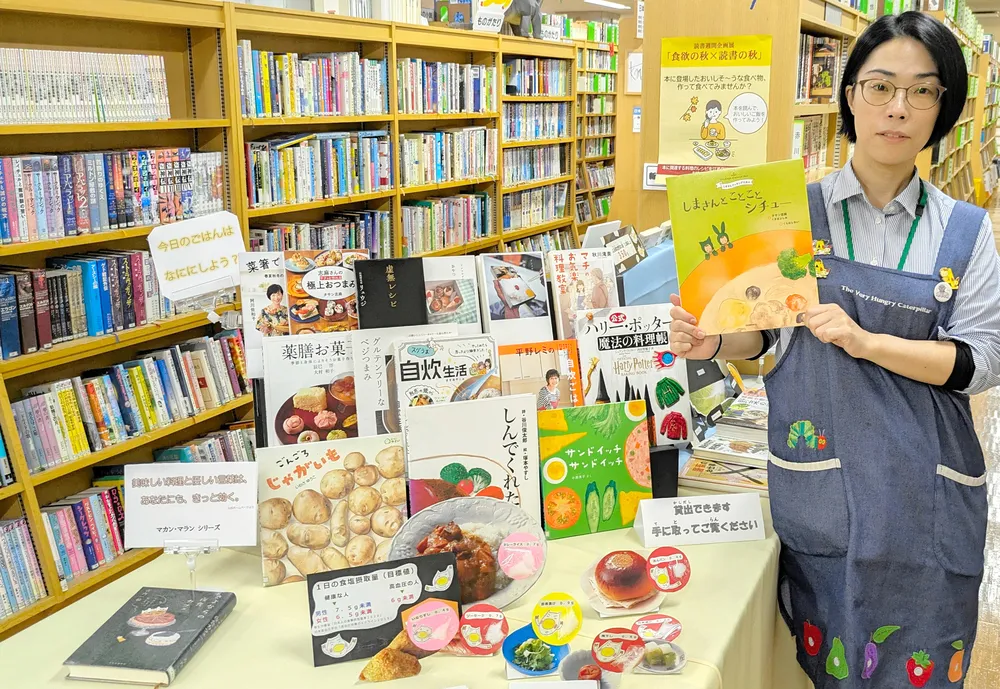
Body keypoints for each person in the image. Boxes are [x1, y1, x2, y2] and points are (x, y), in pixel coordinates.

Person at [670, 12, 1000, 688]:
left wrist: (868, 340)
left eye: (923, 91)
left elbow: (982, 361)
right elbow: (761, 333)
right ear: (849, 94)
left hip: (926, 497)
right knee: (823, 661)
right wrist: (716, 337)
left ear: (945, 107)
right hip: (828, 489)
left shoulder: (968, 230)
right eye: (880, 86)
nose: (898, 108)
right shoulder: (787, 210)